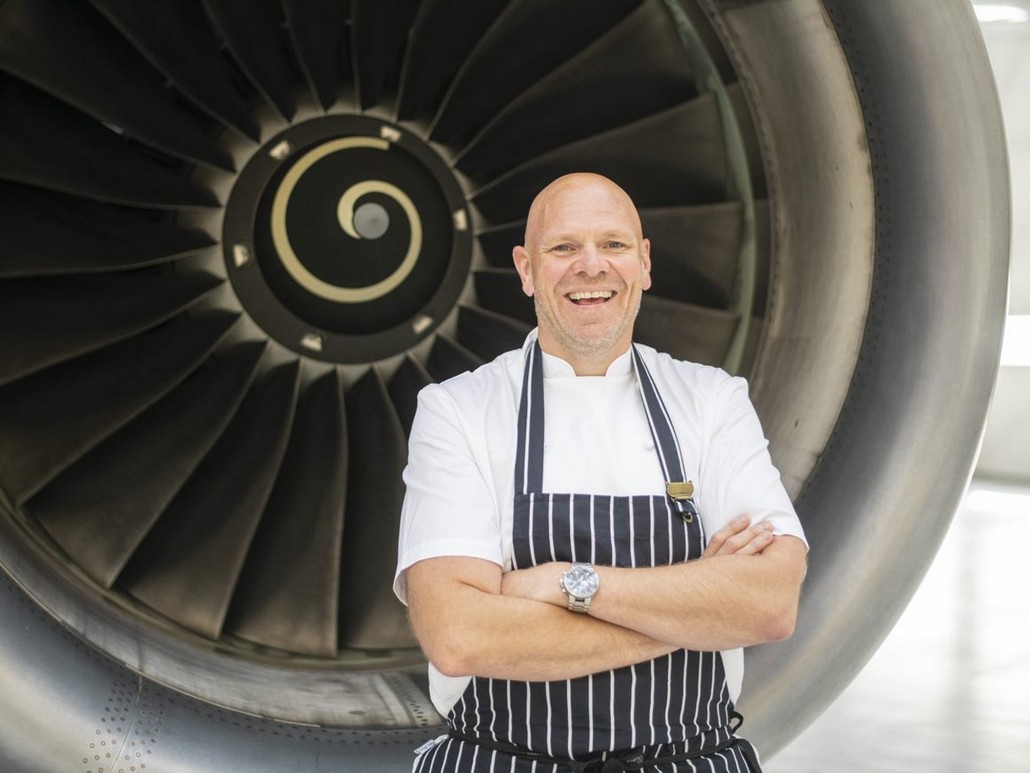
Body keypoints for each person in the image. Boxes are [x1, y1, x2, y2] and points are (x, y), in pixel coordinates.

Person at [394, 172, 808, 772]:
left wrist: (567, 581)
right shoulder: (457, 410)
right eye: (563, 248)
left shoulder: (713, 400)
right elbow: (460, 637)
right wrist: (699, 614)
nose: (591, 267)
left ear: (643, 263)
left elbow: (770, 605)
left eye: (613, 245)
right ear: (526, 268)